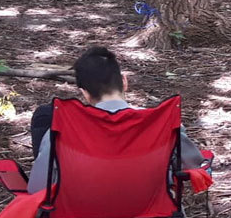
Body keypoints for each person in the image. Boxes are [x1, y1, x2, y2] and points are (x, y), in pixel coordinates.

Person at [27, 46, 207, 194]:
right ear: (124, 81)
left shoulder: (64, 128)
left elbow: (37, 188)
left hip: (76, 217)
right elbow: (194, 165)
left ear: (84, 93)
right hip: (147, 210)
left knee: (44, 114)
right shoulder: (161, 122)